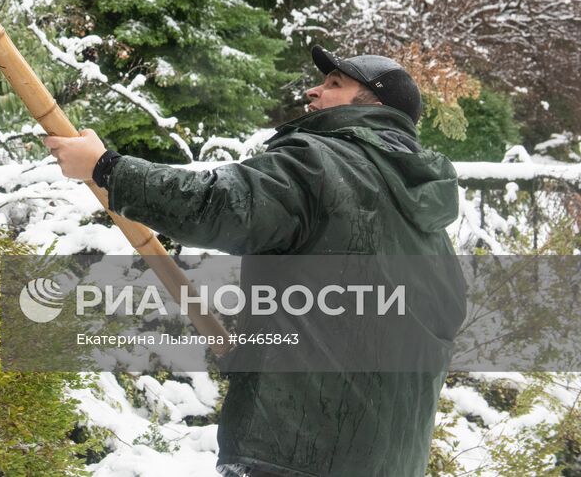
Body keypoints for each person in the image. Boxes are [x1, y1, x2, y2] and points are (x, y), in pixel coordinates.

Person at [44, 45, 462, 477]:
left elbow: (217, 203)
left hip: (294, 455)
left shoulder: (320, 165)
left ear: (375, 106)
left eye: (334, 84)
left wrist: (106, 168)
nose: (312, 92)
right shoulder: (429, 224)